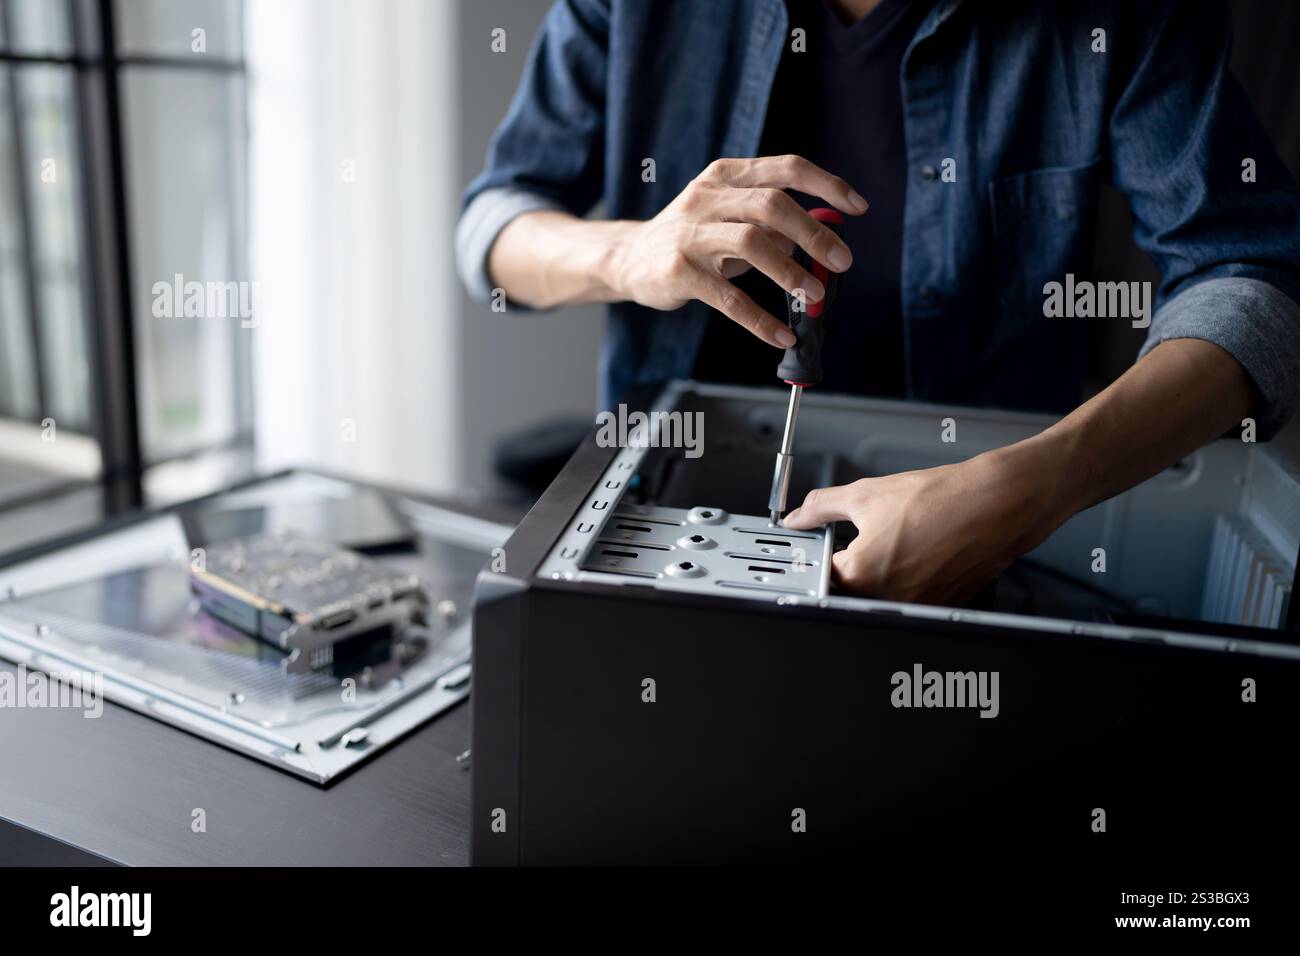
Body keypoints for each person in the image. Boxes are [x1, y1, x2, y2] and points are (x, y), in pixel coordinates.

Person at [456, 0, 1300, 604]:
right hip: (650, 546)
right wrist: (627, 251)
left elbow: (1255, 283)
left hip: (985, 576)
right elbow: (490, 232)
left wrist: (1031, 489)